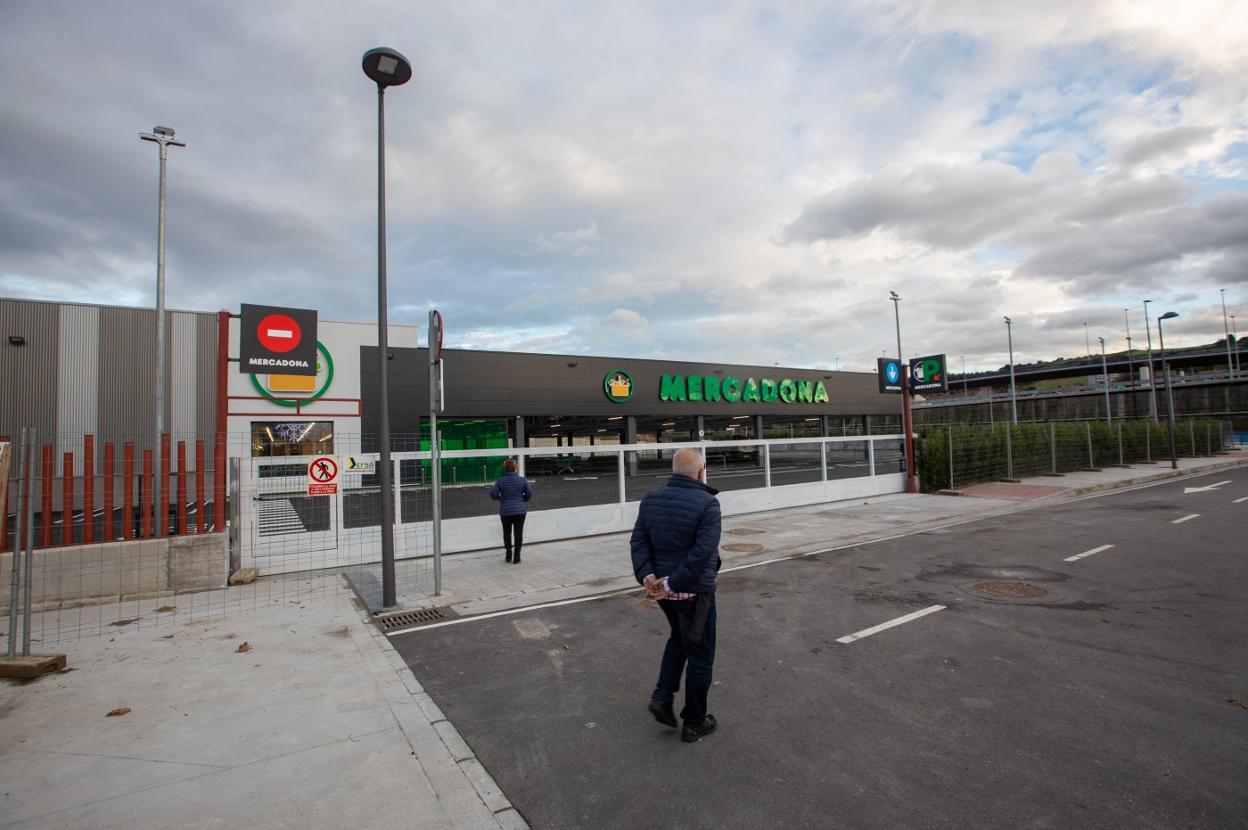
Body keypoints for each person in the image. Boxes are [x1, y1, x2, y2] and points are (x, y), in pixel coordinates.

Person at [630, 447, 722, 743]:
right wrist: (672, 584)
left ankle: (662, 695)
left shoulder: (651, 498)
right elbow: (701, 553)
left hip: (664, 595)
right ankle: (694, 722)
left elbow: (639, 541)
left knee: (679, 640)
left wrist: (649, 578)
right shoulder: (708, 504)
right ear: (700, 471)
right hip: (695, 594)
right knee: (701, 656)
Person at [489, 458, 533, 564]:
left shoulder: (501, 481)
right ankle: (517, 556)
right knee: (518, 533)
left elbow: (493, 494)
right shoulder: (522, 480)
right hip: (520, 511)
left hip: (506, 511)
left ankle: (508, 554)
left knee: (507, 532)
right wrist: (523, 500)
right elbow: (529, 494)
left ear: (505, 468)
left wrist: (500, 499)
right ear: (515, 468)